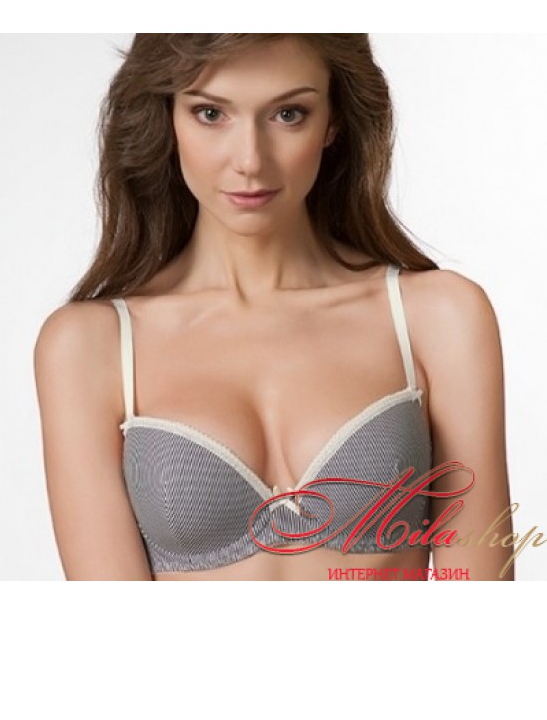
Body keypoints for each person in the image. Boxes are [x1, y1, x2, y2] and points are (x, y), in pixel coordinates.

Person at [33, 34, 515, 581]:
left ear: (333, 120)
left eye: (289, 114)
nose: (250, 161)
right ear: (166, 118)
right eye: (210, 113)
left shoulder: (439, 318)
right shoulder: (90, 346)